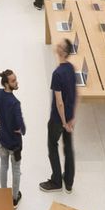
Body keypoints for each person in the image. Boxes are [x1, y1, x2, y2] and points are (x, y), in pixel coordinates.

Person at [40, 38, 78, 194]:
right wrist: (72, 119)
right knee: (68, 148)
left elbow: (59, 102)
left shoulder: (57, 74)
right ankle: (68, 182)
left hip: (58, 119)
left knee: (52, 146)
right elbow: (75, 94)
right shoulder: (70, 68)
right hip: (69, 117)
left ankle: (56, 181)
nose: (57, 46)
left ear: (62, 51)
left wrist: (63, 122)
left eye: (60, 45)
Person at [0, 69, 26, 207]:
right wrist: (22, 130)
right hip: (14, 145)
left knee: (3, 165)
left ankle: (3, 194)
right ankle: (14, 199)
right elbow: (22, 127)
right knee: (16, 170)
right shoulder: (15, 103)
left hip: (2, 140)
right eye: (13, 81)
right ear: (6, 84)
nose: (16, 82)